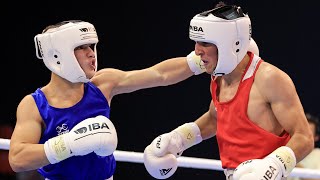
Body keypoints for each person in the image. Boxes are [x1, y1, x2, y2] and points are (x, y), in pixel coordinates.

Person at [8, 20, 204, 180]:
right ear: (57, 54)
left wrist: (201, 60)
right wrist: (69, 144)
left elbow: (160, 74)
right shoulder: (34, 104)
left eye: (92, 46)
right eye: (81, 47)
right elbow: (17, 158)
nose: (91, 53)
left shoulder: (102, 84)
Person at [143, 4, 314, 180]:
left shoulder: (269, 79)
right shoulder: (219, 76)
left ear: (228, 44)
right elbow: (216, 118)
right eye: (196, 42)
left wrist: (274, 166)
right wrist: (178, 139)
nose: (197, 51)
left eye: (205, 42)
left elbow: (305, 137)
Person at [288, 113, 320, 180]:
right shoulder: (286, 150)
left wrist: (294, 163)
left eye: (308, 134)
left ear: (316, 137)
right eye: (301, 132)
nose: (302, 137)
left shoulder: (318, 154)